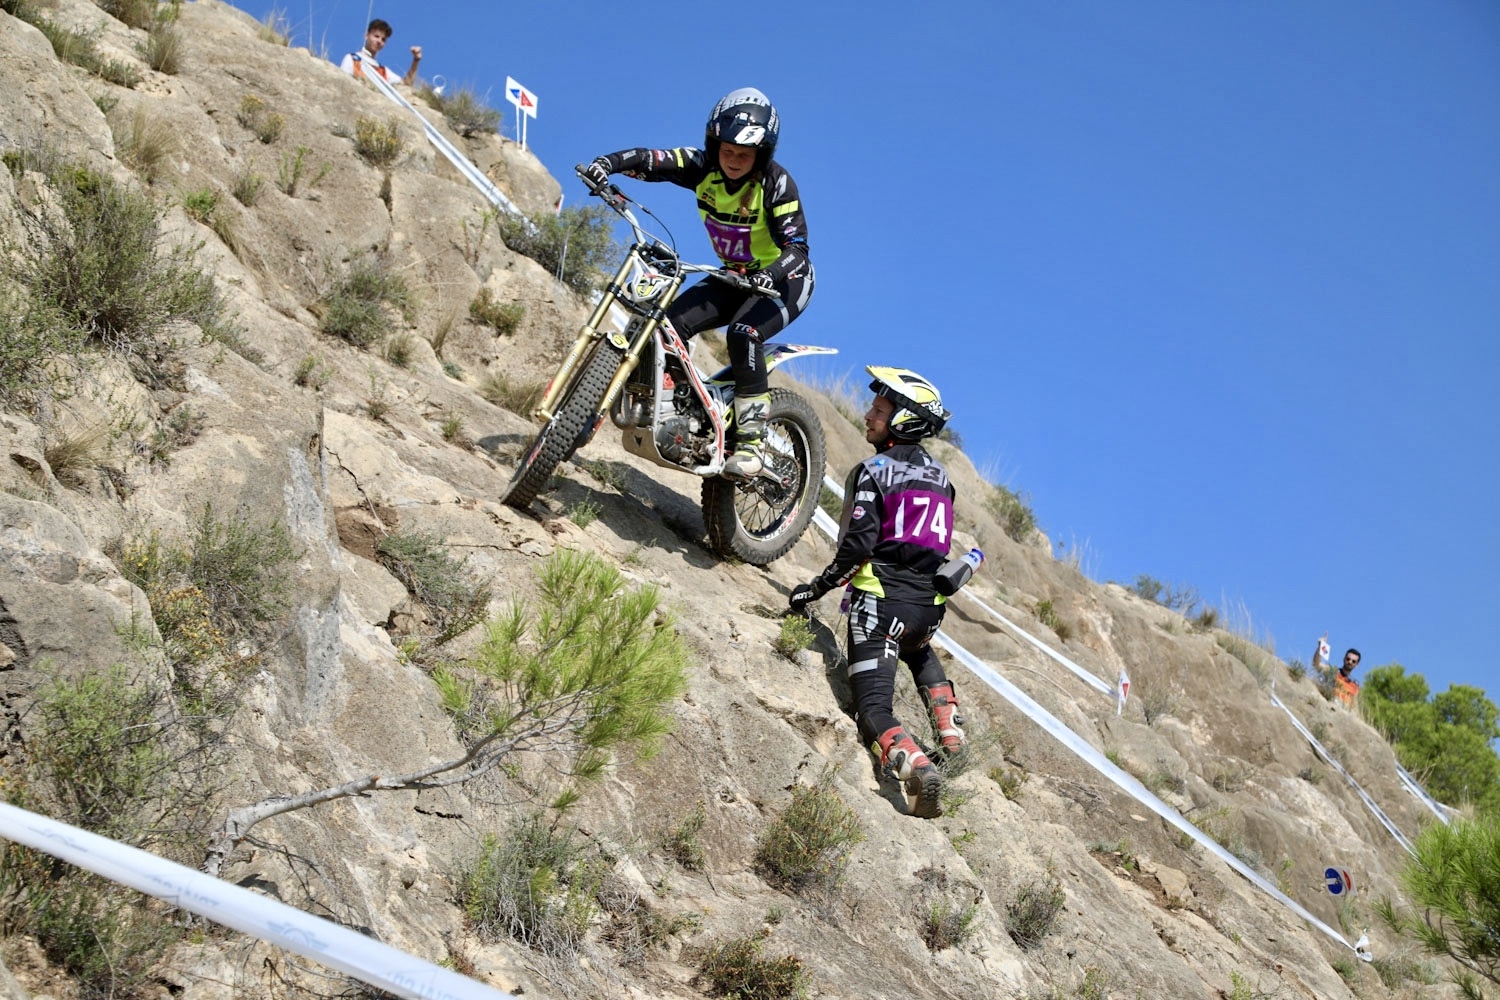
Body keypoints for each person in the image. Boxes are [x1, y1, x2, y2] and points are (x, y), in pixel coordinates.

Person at [583, 88, 814, 478]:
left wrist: (769, 274)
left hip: (784, 281)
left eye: (744, 154)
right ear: (714, 144)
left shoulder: (777, 184)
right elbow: (652, 159)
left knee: (743, 334)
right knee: (666, 326)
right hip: (734, 276)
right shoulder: (702, 166)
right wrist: (607, 164)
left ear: (761, 155)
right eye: (727, 150)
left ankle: (752, 444)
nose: (734, 160)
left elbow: (798, 249)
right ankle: (682, 406)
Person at [786, 367, 962, 819]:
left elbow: (858, 546)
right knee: (917, 649)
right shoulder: (943, 478)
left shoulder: (875, 471)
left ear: (903, 419)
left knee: (872, 710)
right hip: (928, 610)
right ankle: (951, 735)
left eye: (879, 410)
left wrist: (817, 588)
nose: (868, 415)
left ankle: (918, 767)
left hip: (881, 605)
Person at [339, 18, 422, 87]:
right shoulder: (352, 59)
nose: (379, 41)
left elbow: (406, 84)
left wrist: (416, 60)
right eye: (376, 36)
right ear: (366, 35)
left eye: (383, 39)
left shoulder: (383, 71)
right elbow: (342, 83)